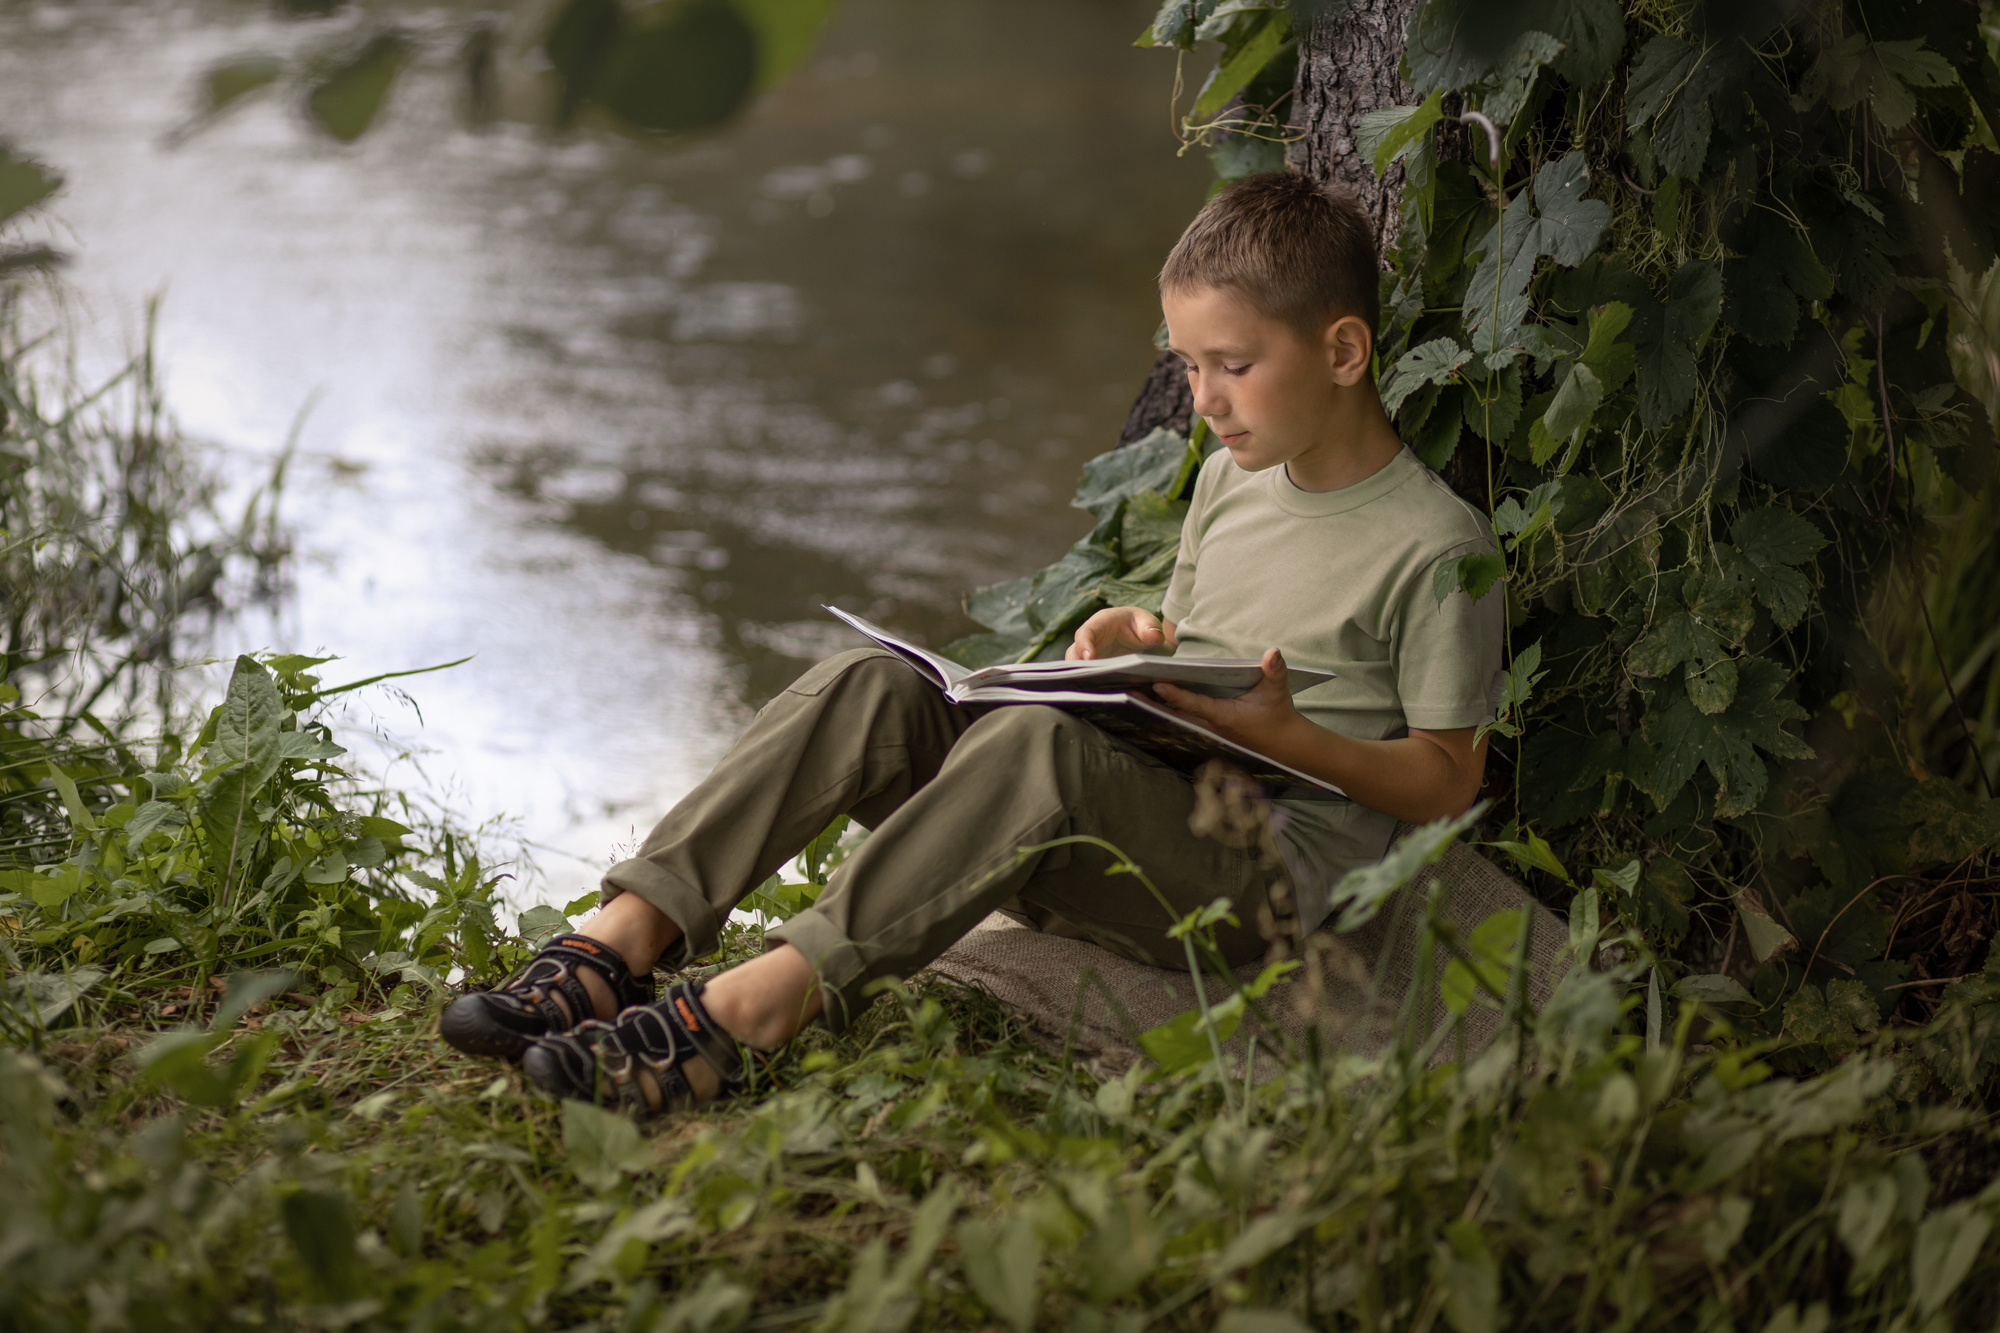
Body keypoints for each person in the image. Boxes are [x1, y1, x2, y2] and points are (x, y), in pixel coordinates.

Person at [438, 172, 1505, 1116]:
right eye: (1186, 366)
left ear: (1343, 351)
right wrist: (1137, 635)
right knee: (871, 684)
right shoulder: (1230, 480)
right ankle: (623, 938)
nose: (1203, 401)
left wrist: (1289, 735)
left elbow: (1448, 781)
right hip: (1133, 814)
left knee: (1037, 746)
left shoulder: (1433, 546)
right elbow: (1201, 637)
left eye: (1231, 364)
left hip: (1254, 884)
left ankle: (757, 1006)